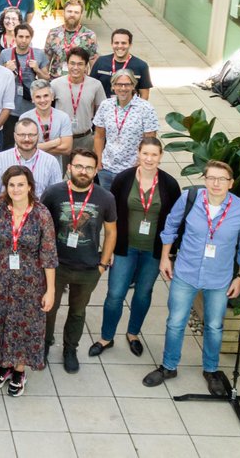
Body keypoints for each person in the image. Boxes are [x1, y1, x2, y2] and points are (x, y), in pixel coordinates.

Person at [143, 160, 240, 396]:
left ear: (231, 183)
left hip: (220, 278)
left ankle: (211, 370)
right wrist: (165, 258)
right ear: (204, 179)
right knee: (175, 322)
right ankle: (168, 366)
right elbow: (170, 226)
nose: (216, 183)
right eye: (211, 177)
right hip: (186, 272)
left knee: (214, 326)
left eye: (222, 179)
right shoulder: (190, 199)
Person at [0, 166, 57, 396]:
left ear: (30, 186)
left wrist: (50, 290)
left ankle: (19, 370)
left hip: (29, 281)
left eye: (20, 184)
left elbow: (49, 255)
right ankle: (4, 365)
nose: (16, 189)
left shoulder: (41, 214)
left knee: (23, 324)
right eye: (11, 185)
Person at [94, 138, 180, 358]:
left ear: (160, 156)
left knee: (143, 293)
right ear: (138, 154)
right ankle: (106, 337)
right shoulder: (123, 179)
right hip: (125, 247)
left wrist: (168, 255)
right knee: (115, 293)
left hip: (153, 251)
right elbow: (111, 217)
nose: (149, 159)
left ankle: (133, 334)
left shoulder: (169, 185)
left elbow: (176, 221)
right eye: (145, 154)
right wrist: (109, 249)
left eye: (154, 155)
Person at [40, 150, 117, 373]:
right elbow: (42, 225)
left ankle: (70, 349)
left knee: (77, 311)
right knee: (48, 308)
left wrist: (102, 264)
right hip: (55, 266)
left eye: (89, 168)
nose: (83, 171)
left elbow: (111, 232)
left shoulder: (105, 198)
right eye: (79, 166)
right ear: (69, 167)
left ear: (95, 171)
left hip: (88, 267)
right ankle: (43, 345)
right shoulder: (53, 193)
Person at [93, 69, 158, 189]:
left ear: (133, 86)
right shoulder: (105, 105)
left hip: (131, 170)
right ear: (113, 86)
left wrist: (139, 164)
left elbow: (150, 141)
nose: (123, 88)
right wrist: (98, 160)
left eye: (127, 84)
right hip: (107, 168)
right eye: (118, 84)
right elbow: (99, 135)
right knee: (107, 204)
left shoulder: (145, 108)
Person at [0, 23, 50, 147]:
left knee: (31, 143)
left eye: (27, 37)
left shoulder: (39, 54)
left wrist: (37, 70)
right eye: (20, 36)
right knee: (10, 145)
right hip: (11, 108)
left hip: (32, 107)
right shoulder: (5, 54)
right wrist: (6, 69)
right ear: (15, 38)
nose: (23, 40)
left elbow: (47, 79)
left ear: (31, 38)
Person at [50, 47, 106, 152]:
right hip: (60, 138)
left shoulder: (96, 85)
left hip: (85, 138)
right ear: (67, 64)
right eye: (72, 63)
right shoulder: (55, 84)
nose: (75, 67)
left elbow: (101, 112)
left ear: (86, 66)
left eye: (80, 64)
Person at [0, 119, 63, 199]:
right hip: (7, 209)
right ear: (15, 136)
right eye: (22, 135)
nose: (27, 139)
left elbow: (56, 195)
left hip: (39, 210)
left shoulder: (51, 162)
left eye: (31, 135)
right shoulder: (1, 159)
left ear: (38, 136)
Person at [18, 79, 74, 161]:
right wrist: (54, 143)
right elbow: (21, 148)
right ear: (32, 99)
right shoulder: (25, 118)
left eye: (46, 96)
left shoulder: (63, 117)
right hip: (30, 167)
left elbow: (67, 149)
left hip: (55, 167)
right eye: (38, 97)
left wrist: (34, 148)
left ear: (52, 97)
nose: (42, 100)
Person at [43, 0, 99, 79]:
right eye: (69, 11)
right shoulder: (53, 33)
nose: (72, 15)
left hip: (80, 83)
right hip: (56, 82)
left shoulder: (89, 36)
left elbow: (94, 63)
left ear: (81, 15)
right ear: (64, 12)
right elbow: (45, 60)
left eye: (76, 12)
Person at [91, 28, 154, 99]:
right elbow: (91, 87)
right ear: (112, 44)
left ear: (130, 45)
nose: (120, 46)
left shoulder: (141, 66)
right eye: (116, 43)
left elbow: (144, 95)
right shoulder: (101, 62)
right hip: (104, 108)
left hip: (129, 109)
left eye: (124, 43)